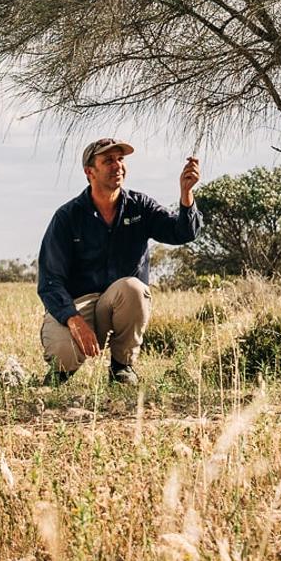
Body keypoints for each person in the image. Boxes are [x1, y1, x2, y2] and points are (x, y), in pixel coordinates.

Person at [35, 139, 202, 385]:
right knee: (63, 352)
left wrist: (186, 194)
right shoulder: (67, 217)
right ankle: (60, 374)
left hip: (118, 302)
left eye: (120, 159)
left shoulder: (140, 206)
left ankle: (122, 367)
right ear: (89, 172)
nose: (118, 166)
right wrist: (73, 319)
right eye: (108, 161)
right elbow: (50, 280)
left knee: (133, 288)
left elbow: (182, 233)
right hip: (79, 306)